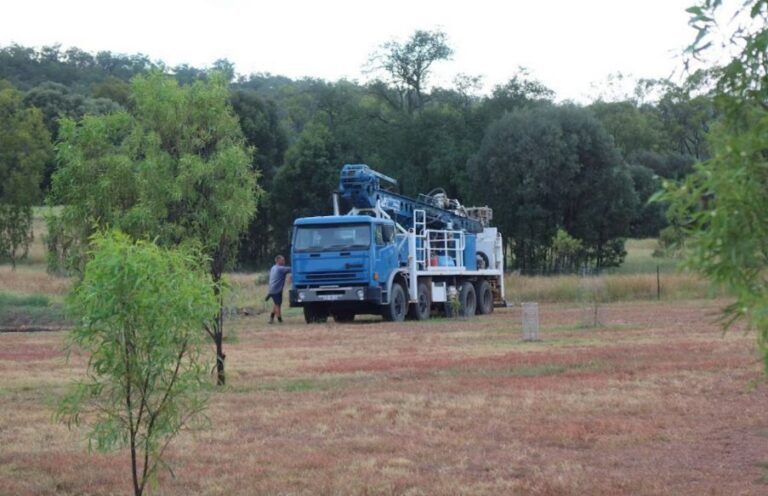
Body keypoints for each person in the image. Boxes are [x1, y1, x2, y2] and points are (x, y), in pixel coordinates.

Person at [265, 255, 291, 324]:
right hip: (275, 290)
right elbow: (292, 269)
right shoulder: (280, 269)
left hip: (273, 289)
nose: (284, 261)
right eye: (282, 260)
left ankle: (271, 319)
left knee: (276, 304)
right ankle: (279, 320)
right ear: (278, 261)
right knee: (277, 305)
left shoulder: (273, 267)